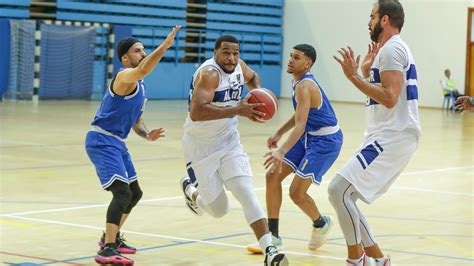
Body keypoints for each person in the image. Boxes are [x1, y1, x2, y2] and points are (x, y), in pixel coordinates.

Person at [180, 35, 288, 266]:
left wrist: (258, 95)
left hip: (229, 141)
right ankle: (191, 191)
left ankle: (270, 252)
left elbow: (253, 77)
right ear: (215, 52)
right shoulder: (210, 74)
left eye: (235, 53)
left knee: (246, 192)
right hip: (200, 145)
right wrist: (237, 110)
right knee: (219, 210)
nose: (231, 58)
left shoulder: (240, 66)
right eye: (226, 52)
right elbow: (196, 112)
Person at [332, 1, 420, 265]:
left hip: (394, 135)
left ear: (385, 20)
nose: (368, 21)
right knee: (347, 196)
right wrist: (367, 73)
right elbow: (385, 93)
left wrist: (353, 78)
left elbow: (391, 98)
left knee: (338, 190)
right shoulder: (389, 50)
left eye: (372, 16)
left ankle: (356, 259)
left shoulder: (392, 50)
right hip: (386, 135)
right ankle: (379, 260)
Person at [85, 25, 181, 265]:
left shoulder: (140, 87)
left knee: (134, 193)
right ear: (125, 58)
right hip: (101, 139)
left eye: (143, 50)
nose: (142, 53)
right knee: (121, 192)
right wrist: (164, 46)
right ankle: (106, 249)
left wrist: (146, 134)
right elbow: (143, 68)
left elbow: (137, 121)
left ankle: (112, 237)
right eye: (138, 51)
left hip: (117, 141)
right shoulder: (124, 76)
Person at [246, 44, 343, 254]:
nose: (290, 60)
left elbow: (300, 125)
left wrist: (281, 151)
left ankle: (321, 223)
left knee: (296, 193)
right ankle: (273, 236)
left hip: (326, 141)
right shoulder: (297, 81)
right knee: (273, 174)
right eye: (290, 56)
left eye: (296, 57)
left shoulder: (304, 85)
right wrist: (279, 133)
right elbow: (300, 115)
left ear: (307, 63)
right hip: (309, 135)